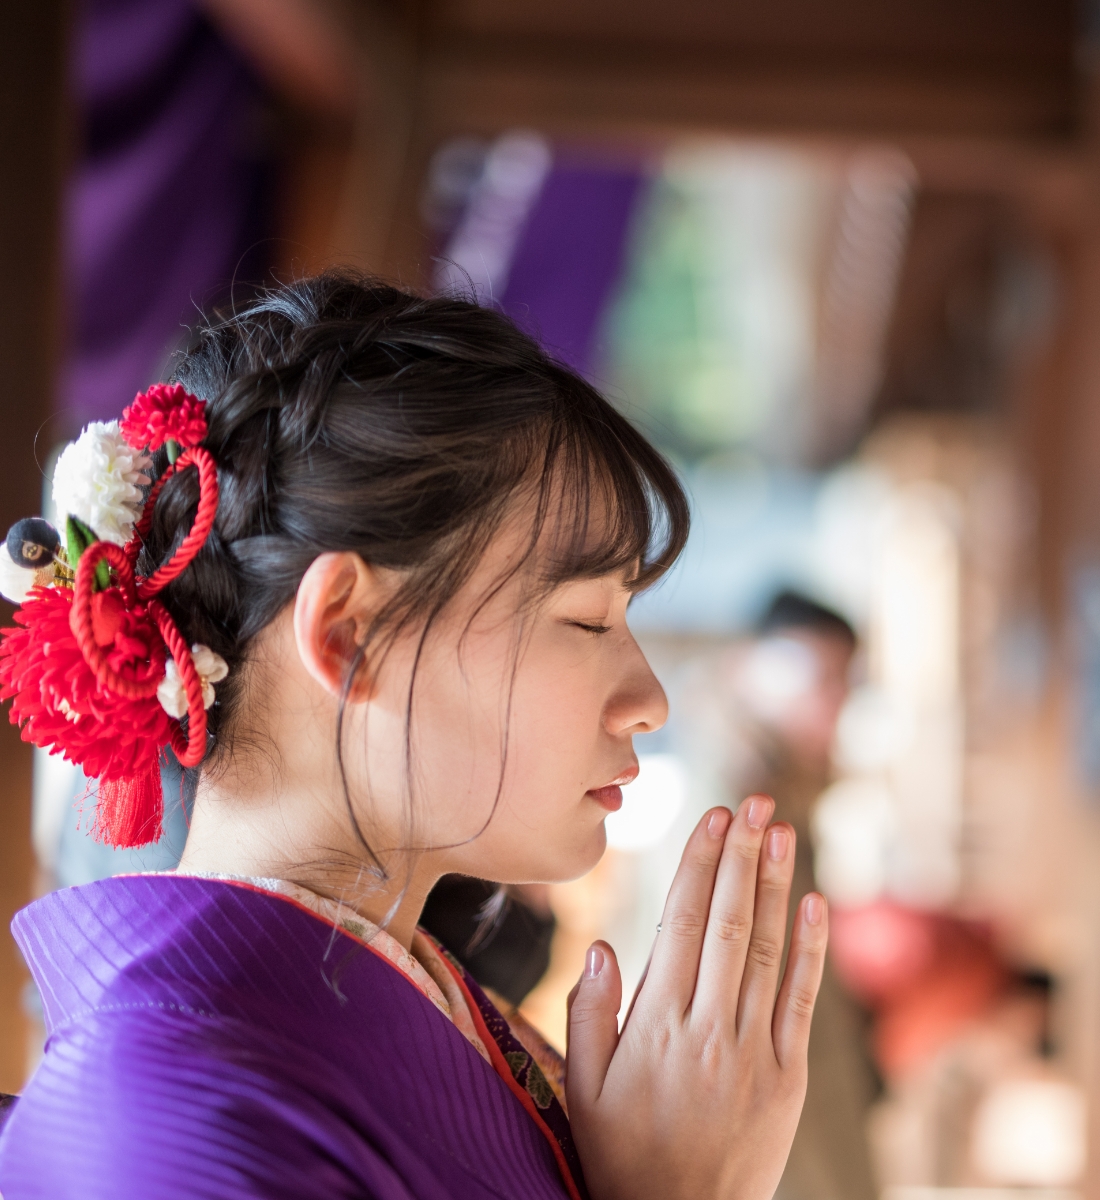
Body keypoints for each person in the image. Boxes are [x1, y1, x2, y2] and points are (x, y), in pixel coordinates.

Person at [0, 273, 829, 1200]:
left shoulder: (406, 994)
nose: (648, 700)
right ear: (349, 633)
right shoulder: (163, 1130)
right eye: (588, 621)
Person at [733, 592, 880, 1200]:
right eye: (823, 681)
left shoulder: (787, 794)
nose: (836, 705)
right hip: (773, 1113)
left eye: (844, 683)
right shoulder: (744, 805)